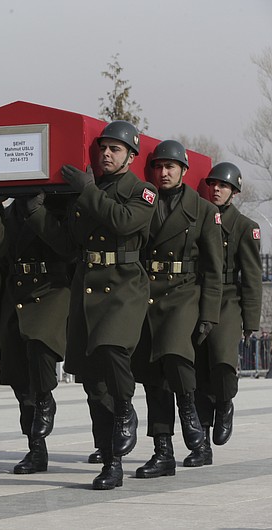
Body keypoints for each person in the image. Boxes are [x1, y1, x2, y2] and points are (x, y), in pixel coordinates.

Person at [26, 120, 157, 490]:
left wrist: (86, 192)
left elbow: (123, 222)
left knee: (112, 348)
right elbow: (68, 244)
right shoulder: (86, 191)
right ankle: (111, 460)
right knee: (93, 383)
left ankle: (127, 407)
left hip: (124, 285)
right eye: (102, 148)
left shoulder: (142, 192)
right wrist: (35, 212)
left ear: (131, 155)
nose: (106, 154)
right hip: (86, 285)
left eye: (115, 149)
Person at [129, 140, 223, 479]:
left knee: (176, 355)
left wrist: (210, 314)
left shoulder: (202, 210)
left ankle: (192, 422)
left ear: (183, 170)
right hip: (147, 293)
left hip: (184, 291)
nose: (163, 172)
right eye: (158, 166)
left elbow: (214, 268)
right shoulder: (144, 203)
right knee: (153, 374)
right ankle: (163, 451)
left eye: (170, 167)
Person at [0, 191, 74, 475]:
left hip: (51, 288)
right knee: (18, 378)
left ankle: (45, 398)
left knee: (40, 347)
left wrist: (39, 211)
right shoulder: (9, 213)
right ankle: (36, 448)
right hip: (17, 291)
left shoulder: (57, 208)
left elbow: (66, 247)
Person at [186, 162, 262, 467]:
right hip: (198, 296)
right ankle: (200, 445)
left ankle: (226, 402)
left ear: (234, 191)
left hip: (229, 300)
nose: (216, 189)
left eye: (223, 186)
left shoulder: (245, 227)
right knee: (197, 372)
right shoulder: (199, 220)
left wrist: (250, 322)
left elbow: (253, 277)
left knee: (222, 363)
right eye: (213, 184)